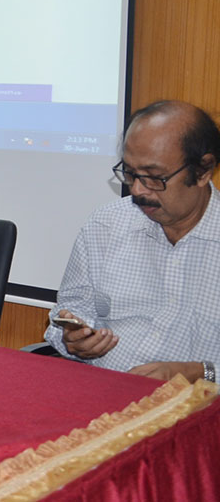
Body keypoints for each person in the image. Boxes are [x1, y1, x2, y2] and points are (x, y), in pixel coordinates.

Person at [45, 101, 220, 383]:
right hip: (102, 390)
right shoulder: (106, 224)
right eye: (130, 173)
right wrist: (73, 338)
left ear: (203, 170)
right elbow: (70, 309)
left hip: (196, 403)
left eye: (154, 178)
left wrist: (201, 373)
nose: (137, 190)